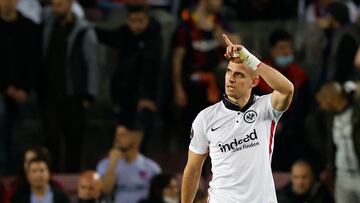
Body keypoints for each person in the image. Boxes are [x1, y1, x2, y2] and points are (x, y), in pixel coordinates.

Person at [181, 34, 294, 202]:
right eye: (229, 72)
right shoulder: (206, 118)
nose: (231, 79)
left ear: (254, 81)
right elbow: (193, 169)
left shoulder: (266, 108)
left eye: (239, 75)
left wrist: (250, 59)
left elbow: (287, 89)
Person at [40, 0, 99, 172]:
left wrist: (90, 94)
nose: (56, 8)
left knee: (74, 139)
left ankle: (72, 177)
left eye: (60, 4)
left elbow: (92, 63)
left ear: (70, 4)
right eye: (54, 4)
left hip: (75, 95)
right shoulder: (47, 25)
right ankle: (53, 177)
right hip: (50, 94)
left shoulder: (83, 30)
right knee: (51, 139)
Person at [172, 0, 239, 148]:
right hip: (193, 87)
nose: (220, 2)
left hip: (220, 85)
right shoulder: (186, 25)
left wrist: (217, 32)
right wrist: (178, 88)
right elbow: (177, 58)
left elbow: (238, 45)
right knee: (194, 133)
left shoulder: (220, 22)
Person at [95, 4, 161, 153]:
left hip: (144, 99)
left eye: (140, 21)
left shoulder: (154, 38)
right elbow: (105, 36)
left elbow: (151, 71)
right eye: (133, 21)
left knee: (140, 141)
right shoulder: (124, 33)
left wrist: (147, 97)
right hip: (123, 95)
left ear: (147, 20)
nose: (137, 25)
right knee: (122, 138)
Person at [256, 29, 311, 171]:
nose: (287, 52)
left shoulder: (300, 75)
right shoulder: (259, 77)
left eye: (289, 48)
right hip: (264, 132)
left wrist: (284, 125)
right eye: (282, 48)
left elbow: (303, 107)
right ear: (272, 50)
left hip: (292, 133)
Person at [0, 0, 41, 174]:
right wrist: (7, 87)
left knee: (21, 129)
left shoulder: (29, 27)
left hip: (23, 91)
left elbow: (34, 62)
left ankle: (17, 171)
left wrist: (24, 89)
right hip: (1, 89)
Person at [316, 81, 360, 203]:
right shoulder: (330, 118)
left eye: (322, 101)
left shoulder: (356, 112)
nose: (321, 106)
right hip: (342, 176)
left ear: (330, 100)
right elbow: (331, 147)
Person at [96, 122, 161, 203]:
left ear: (137, 137)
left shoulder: (152, 168)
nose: (117, 138)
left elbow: (159, 196)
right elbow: (105, 191)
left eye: (122, 135)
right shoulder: (104, 164)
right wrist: (112, 164)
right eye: (116, 134)